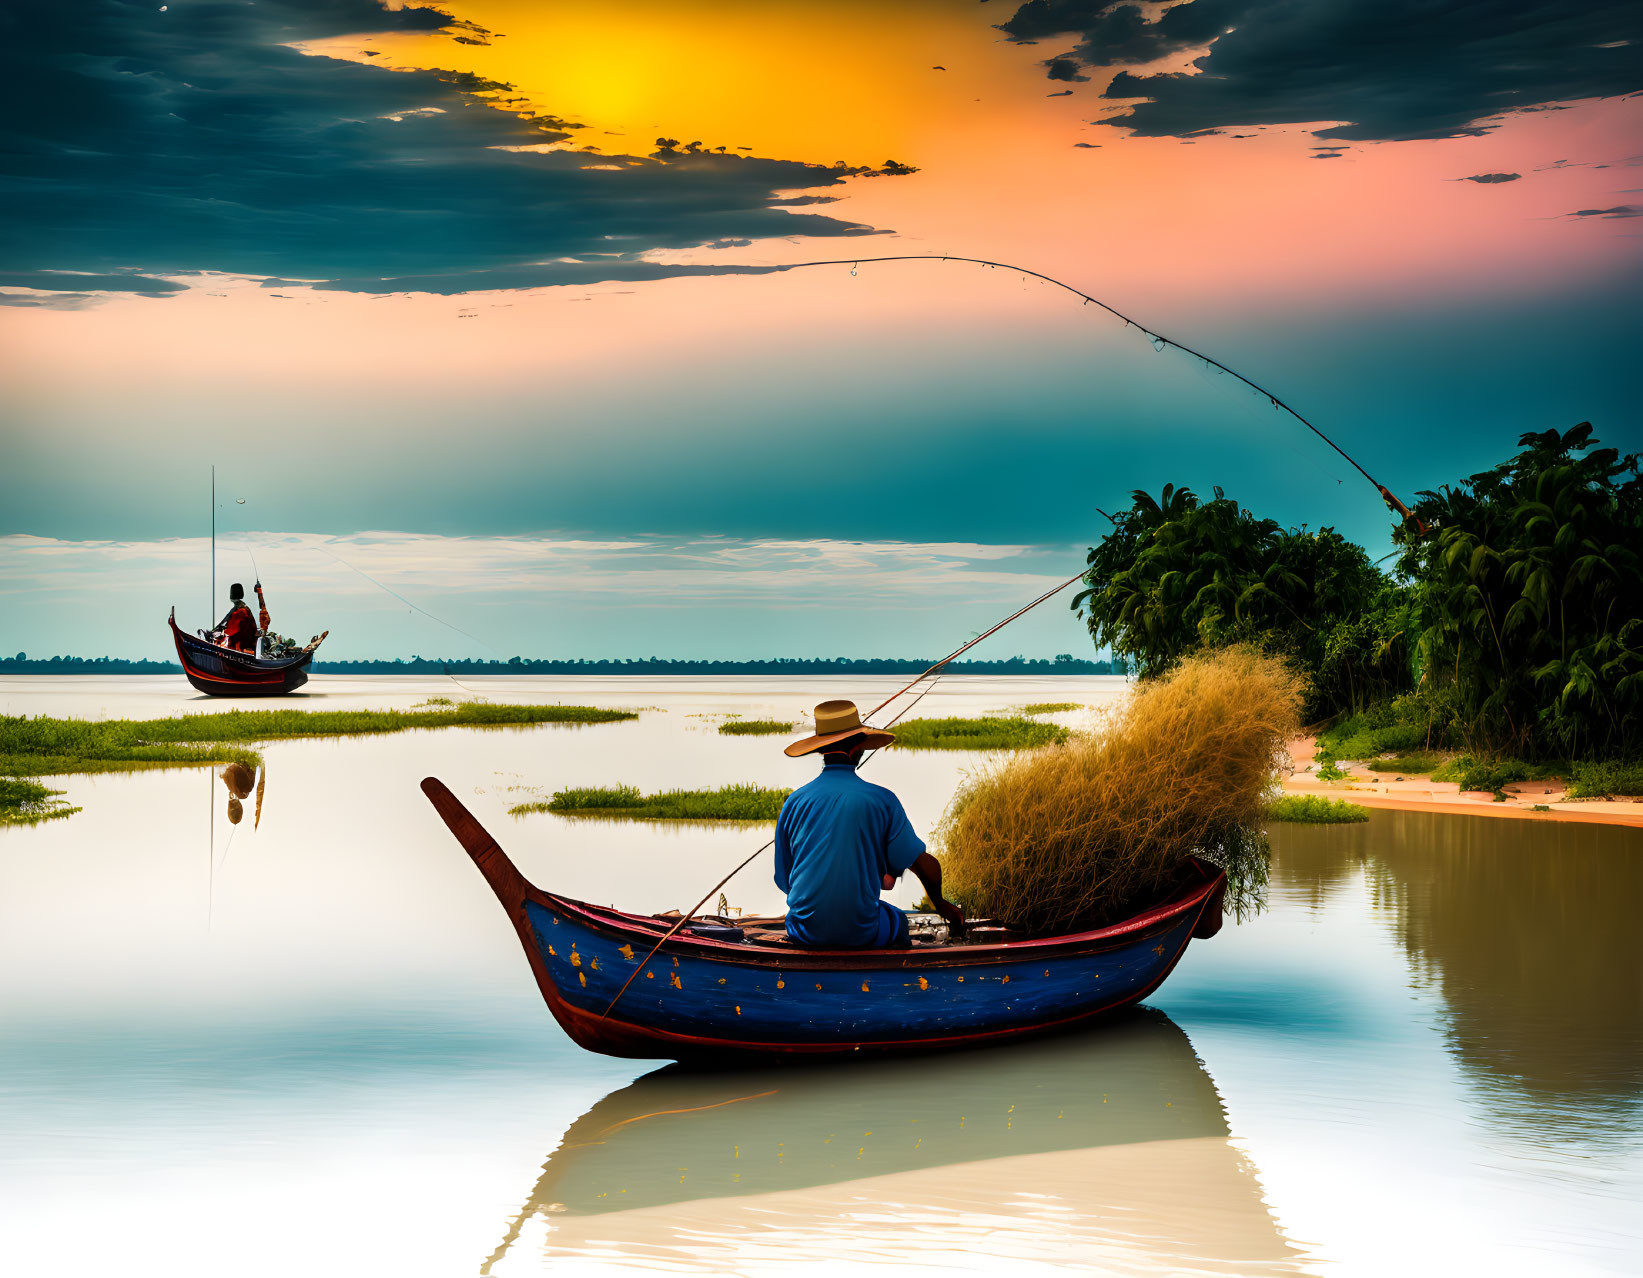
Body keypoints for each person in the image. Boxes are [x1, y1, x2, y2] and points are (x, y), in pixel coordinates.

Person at [775, 699, 965, 948]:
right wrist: (941, 904)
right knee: (896, 919)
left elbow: (784, 880)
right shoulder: (882, 800)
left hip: (803, 931)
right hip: (859, 932)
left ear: (821, 751)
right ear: (858, 748)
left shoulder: (794, 802)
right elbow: (921, 863)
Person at [215, 583, 258, 652]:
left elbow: (230, 631)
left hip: (240, 649)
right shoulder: (246, 609)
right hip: (250, 647)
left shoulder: (238, 613)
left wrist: (220, 634)